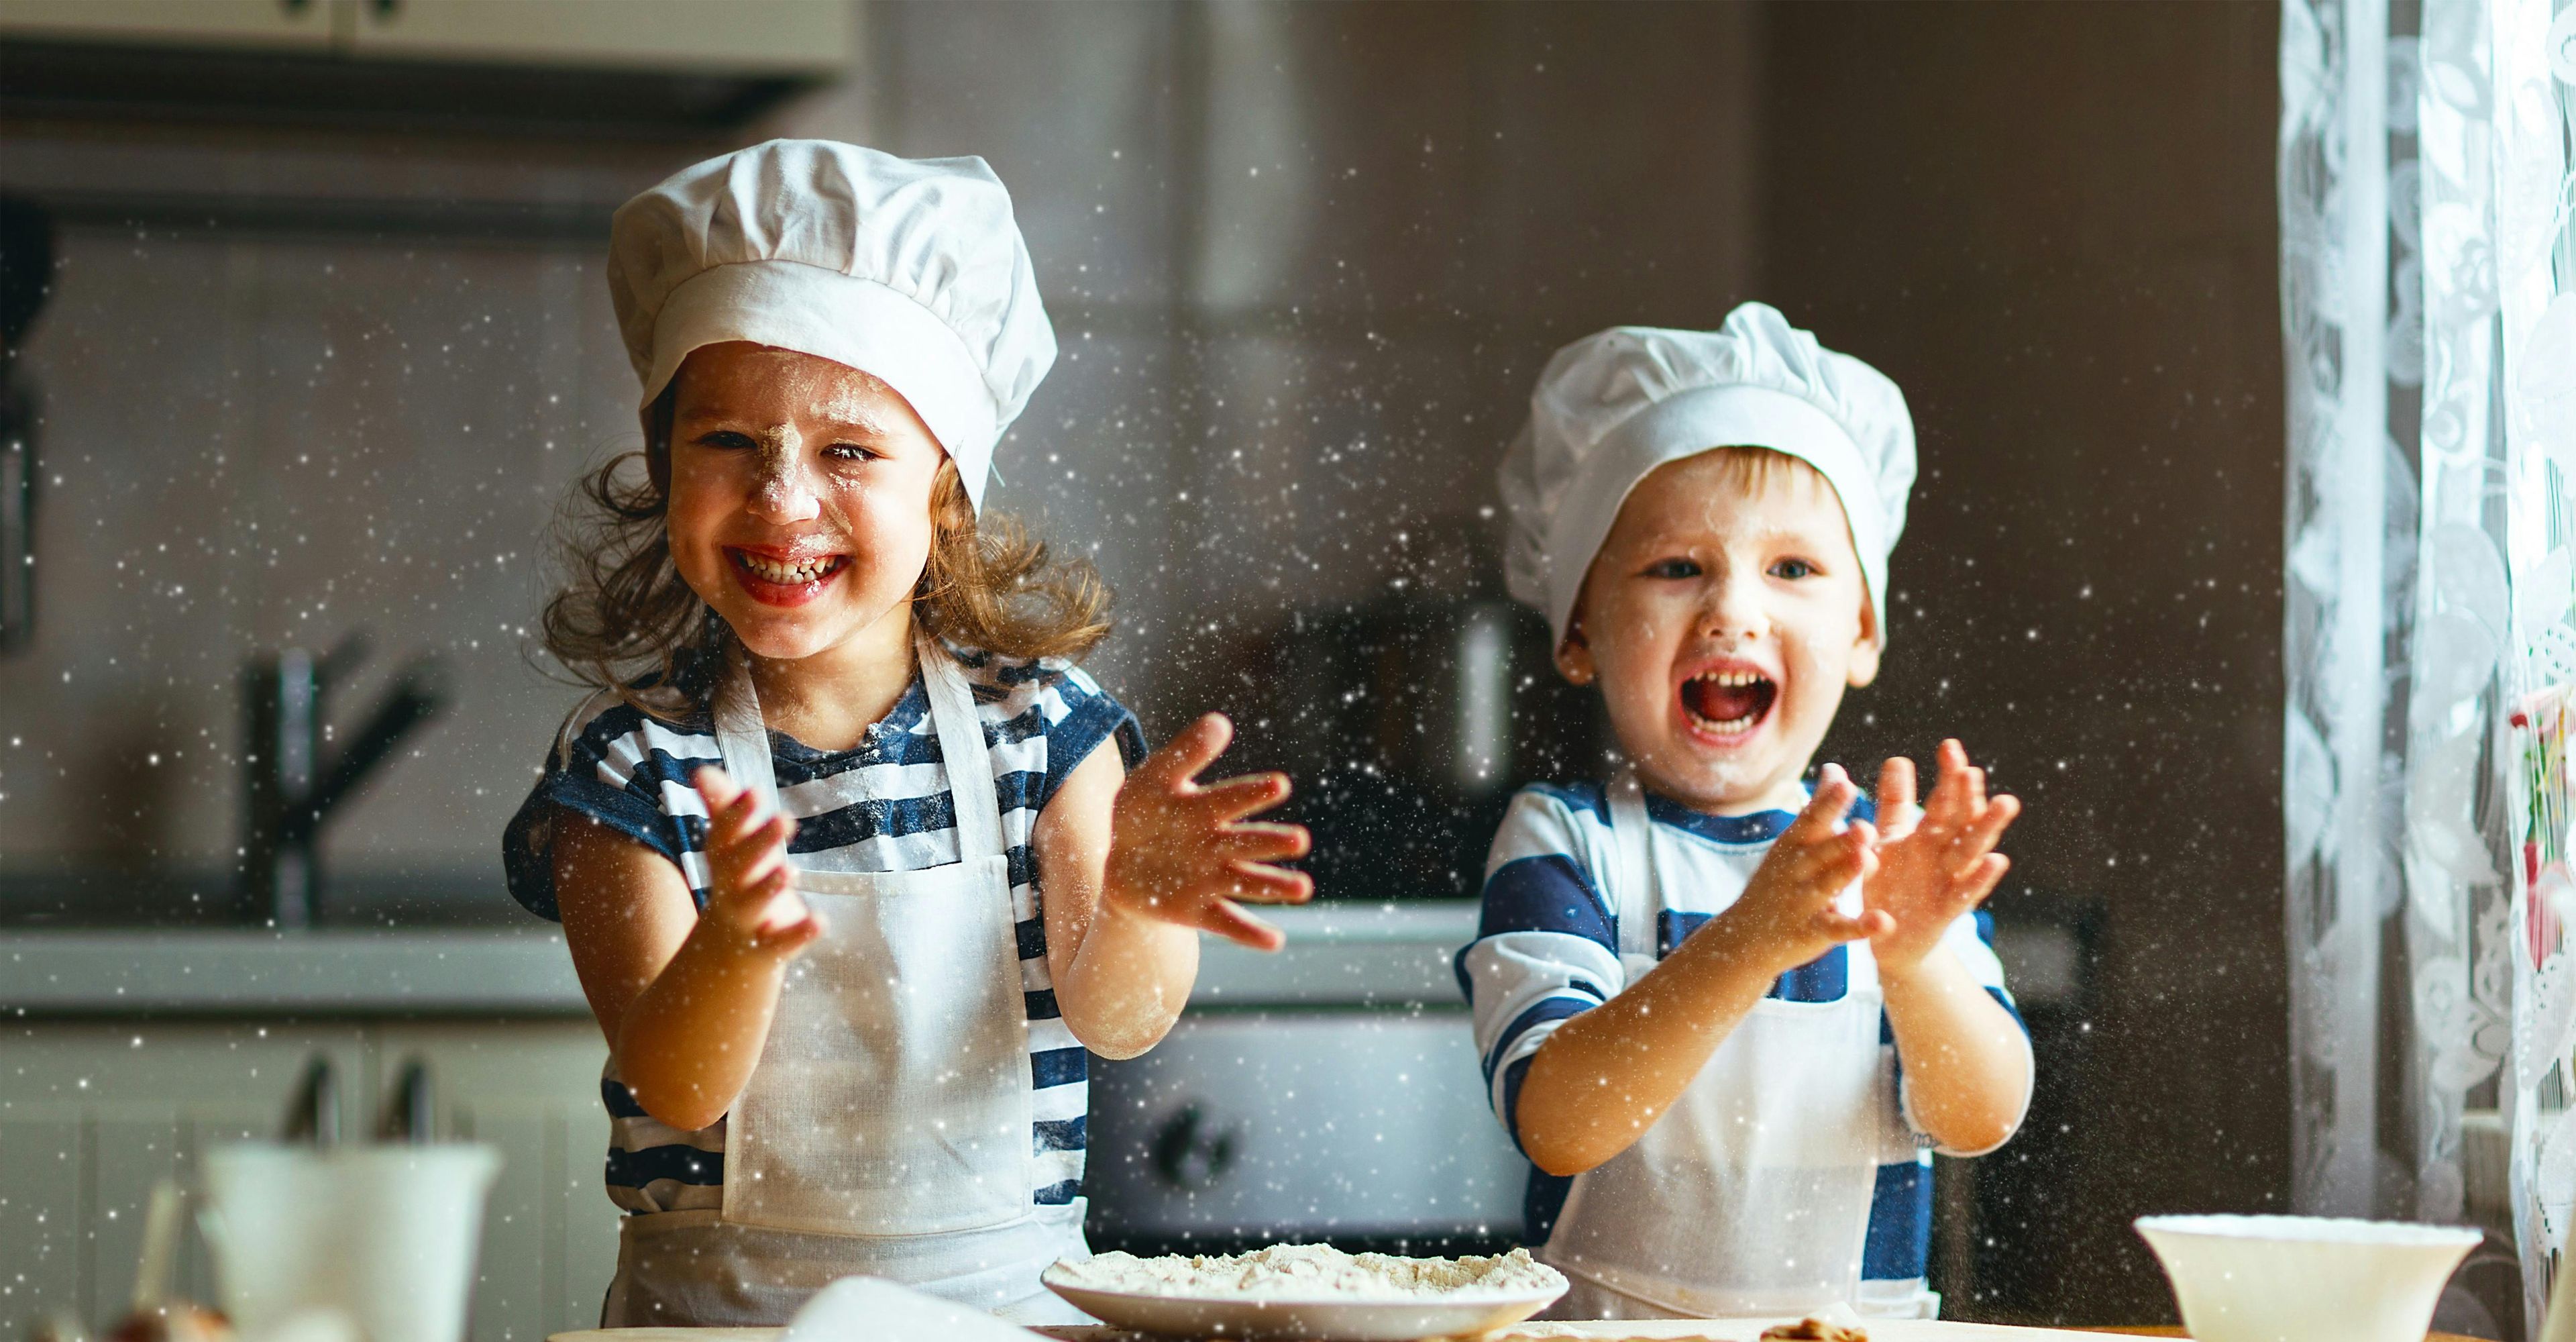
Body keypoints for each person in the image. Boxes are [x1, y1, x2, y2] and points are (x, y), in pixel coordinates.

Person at [500, 140, 1311, 1327]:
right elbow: (675, 1084)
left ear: (945, 488)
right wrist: (735, 944)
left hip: (1006, 1318)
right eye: (726, 442)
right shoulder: (631, 770)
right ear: (663, 463)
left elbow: (1118, 1024)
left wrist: (1135, 901)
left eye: (848, 451)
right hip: (722, 1324)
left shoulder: (1046, 732)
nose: (781, 499)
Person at [1460, 305, 2035, 1321]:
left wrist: (1911, 958)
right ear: (1580, 627)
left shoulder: (1888, 861)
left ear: (1862, 631)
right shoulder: (1567, 841)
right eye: (1676, 567)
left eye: (1794, 570)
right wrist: (1749, 942)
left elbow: (1981, 1117)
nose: (1733, 609)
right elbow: (1557, 1119)